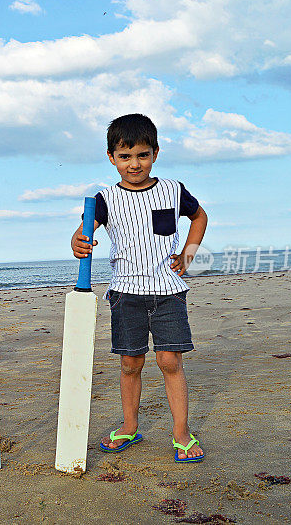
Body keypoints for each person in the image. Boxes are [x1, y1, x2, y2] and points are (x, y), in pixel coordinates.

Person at [71, 113, 208, 462]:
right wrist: (77, 240)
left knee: (169, 361)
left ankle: (181, 432)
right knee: (130, 363)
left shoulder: (172, 190)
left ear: (156, 153)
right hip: (125, 294)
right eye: (125, 156)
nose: (135, 164)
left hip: (168, 291)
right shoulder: (105, 199)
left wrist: (188, 254)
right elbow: (84, 231)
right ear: (112, 158)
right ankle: (130, 426)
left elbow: (199, 217)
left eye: (142, 155)